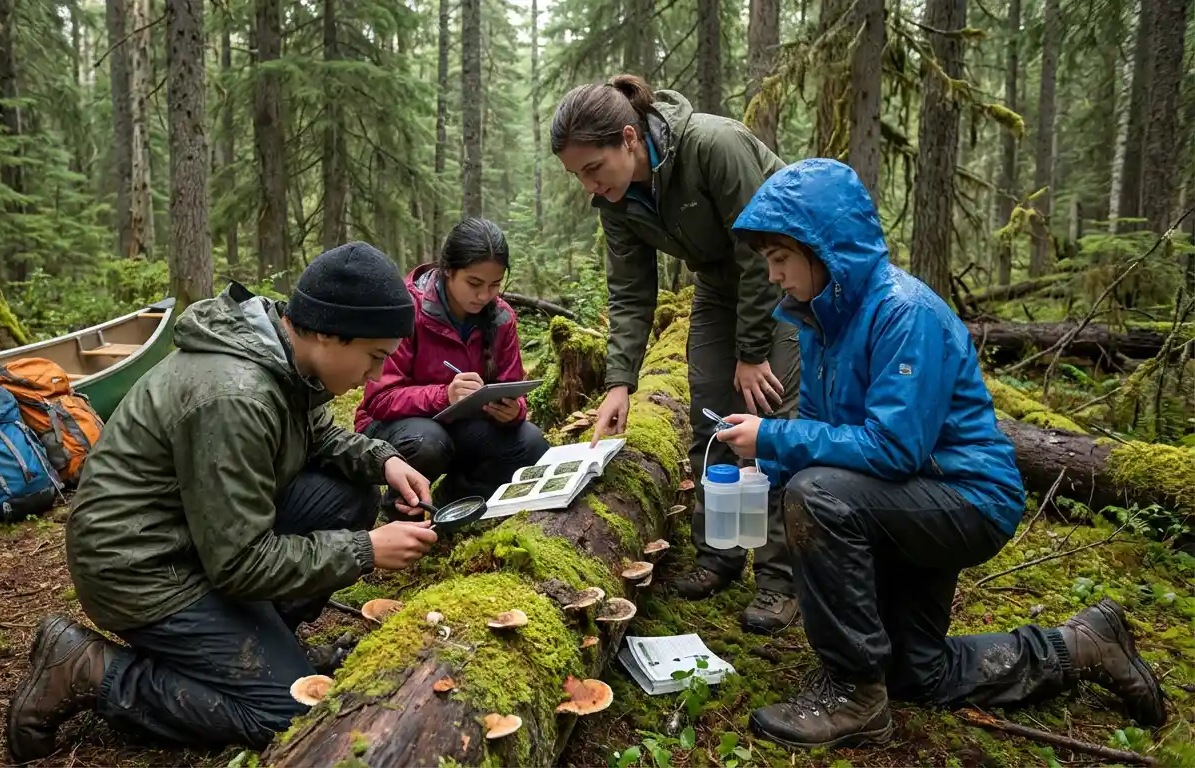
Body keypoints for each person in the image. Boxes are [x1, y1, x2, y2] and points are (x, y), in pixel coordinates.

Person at [715, 158, 1167, 749]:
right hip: (903, 501)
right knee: (916, 673)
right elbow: (830, 430)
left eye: (780, 260)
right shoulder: (823, 321)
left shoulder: (905, 313)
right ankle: (1082, 644)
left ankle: (853, 694)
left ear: (823, 249)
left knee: (816, 496)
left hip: (966, 499)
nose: (773, 277)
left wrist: (774, 438)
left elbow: (892, 447)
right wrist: (763, 460)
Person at [4, 243, 442, 763]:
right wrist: (365, 550)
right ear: (327, 330)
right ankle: (89, 669)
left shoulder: (282, 357)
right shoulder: (236, 396)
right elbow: (239, 563)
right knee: (288, 713)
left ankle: (265, 643)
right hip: (140, 568)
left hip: (195, 540)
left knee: (347, 492)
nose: (377, 374)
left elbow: (320, 436)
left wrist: (385, 460)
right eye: (375, 356)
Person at [550, 73, 800, 630]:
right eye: (577, 176)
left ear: (628, 138)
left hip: (787, 276)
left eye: (594, 168)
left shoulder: (714, 146)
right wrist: (620, 382)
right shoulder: (616, 202)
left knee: (772, 420)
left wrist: (753, 352)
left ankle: (781, 580)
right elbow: (631, 291)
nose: (590, 185)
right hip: (717, 282)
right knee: (710, 414)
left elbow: (761, 252)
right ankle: (720, 555)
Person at [355, 218, 550, 515]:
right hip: (394, 427)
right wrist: (444, 395)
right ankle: (399, 511)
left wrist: (514, 411)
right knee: (429, 441)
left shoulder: (501, 319)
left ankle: (454, 503)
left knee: (531, 445)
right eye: (474, 283)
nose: (485, 295)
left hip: (461, 426)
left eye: (495, 285)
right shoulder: (408, 309)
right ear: (448, 270)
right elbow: (379, 400)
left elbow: (512, 387)